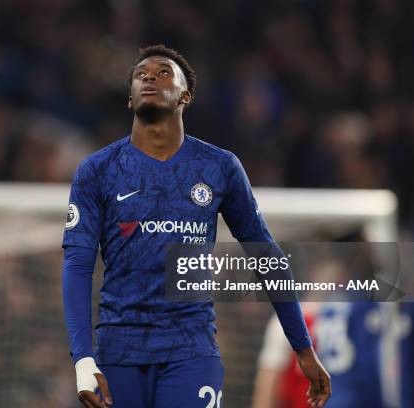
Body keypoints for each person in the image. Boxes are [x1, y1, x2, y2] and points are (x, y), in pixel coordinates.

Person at [62, 44, 331, 408]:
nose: (149, 79)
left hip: (191, 351)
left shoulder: (218, 167)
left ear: (185, 95)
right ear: (129, 99)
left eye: (162, 73)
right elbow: (77, 266)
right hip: (118, 352)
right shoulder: (98, 170)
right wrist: (82, 358)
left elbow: (265, 255)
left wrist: (302, 345)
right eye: (141, 75)